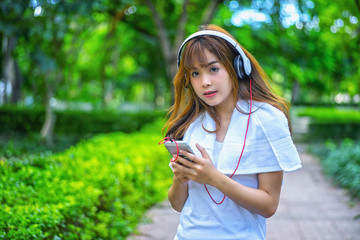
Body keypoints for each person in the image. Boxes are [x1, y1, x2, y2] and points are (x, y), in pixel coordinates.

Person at [162, 24, 302, 240]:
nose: (205, 82)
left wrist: (213, 178)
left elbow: (269, 205)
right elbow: (178, 204)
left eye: (213, 69)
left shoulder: (266, 120)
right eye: (195, 73)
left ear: (236, 67)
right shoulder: (192, 126)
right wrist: (179, 179)